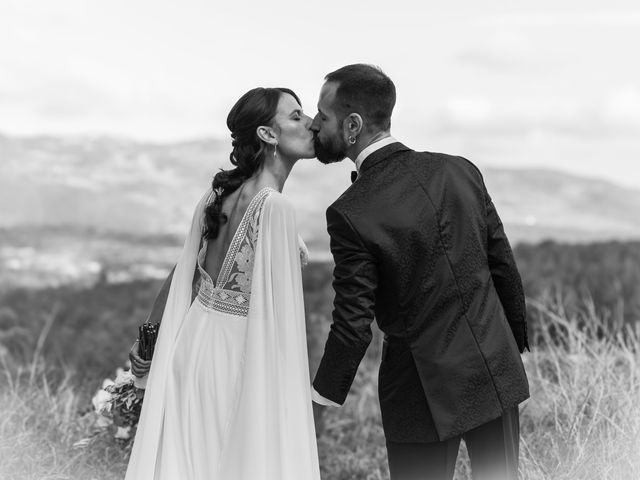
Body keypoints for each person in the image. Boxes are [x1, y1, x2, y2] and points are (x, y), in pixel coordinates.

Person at [310, 64, 530, 480]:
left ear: (353, 125)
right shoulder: (460, 169)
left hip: (419, 392)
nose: (315, 124)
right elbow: (502, 264)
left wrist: (321, 399)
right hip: (493, 368)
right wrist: (510, 345)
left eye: (323, 116)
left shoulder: (350, 212)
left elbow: (353, 323)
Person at [125, 87, 321, 480]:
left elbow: (183, 273)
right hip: (238, 354)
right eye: (296, 117)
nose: (312, 123)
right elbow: (281, 317)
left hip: (192, 342)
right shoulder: (277, 208)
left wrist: (148, 339)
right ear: (268, 135)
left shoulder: (218, 194)